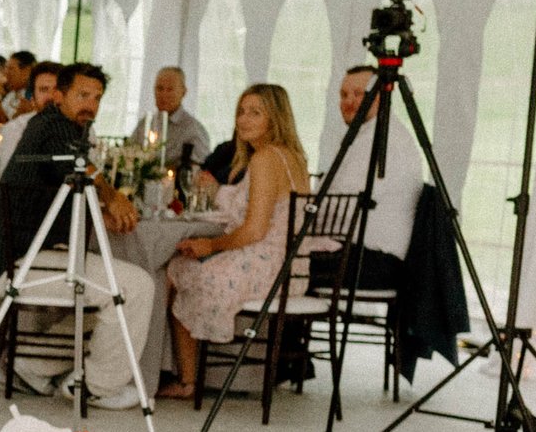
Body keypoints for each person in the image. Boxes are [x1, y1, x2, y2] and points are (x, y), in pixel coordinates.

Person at [0, 61, 154, 409]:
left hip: (34, 256)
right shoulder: (53, 125)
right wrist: (113, 197)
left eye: (96, 97)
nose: (90, 104)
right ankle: (96, 387)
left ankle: (29, 367)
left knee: (108, 300)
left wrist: (101, 210)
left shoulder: (56, 127)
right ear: (59, 96)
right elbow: (81, 168)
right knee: (137, 287)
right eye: (81, 95)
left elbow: (61, 184)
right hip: (21, 264)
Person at [163, 83, 313, 399]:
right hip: (293, 268)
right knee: (186, 264)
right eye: (241, 112)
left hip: (267, 268)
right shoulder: (293, 157)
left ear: (276, 119)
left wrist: (211, 246)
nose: (243, 120)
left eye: (255, 113)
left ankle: (185, 379)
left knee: (175, 270)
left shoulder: (265, 160)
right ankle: (190, 375)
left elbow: (256, 230)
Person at [321, 64, 417, 288]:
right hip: (356, 251)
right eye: (344, 95)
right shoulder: (363, 135)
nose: (348, 102)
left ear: (380, 96)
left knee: (277, 263)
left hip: (374, 260)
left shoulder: (385, 140)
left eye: (359, 94)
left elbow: (343, 205)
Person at [0, 60, 62, 171]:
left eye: (56, 90)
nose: (51, 97)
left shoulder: (83, 130)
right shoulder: (15, 130)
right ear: (32, 98)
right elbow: (7, 181)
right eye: (44, 90)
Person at [143, 65, 211, 169]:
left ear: (183, 92)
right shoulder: (146, 124)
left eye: (170, 89)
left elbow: (199, 169)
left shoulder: (193, 130)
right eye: (159, 88)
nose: (163, 94)